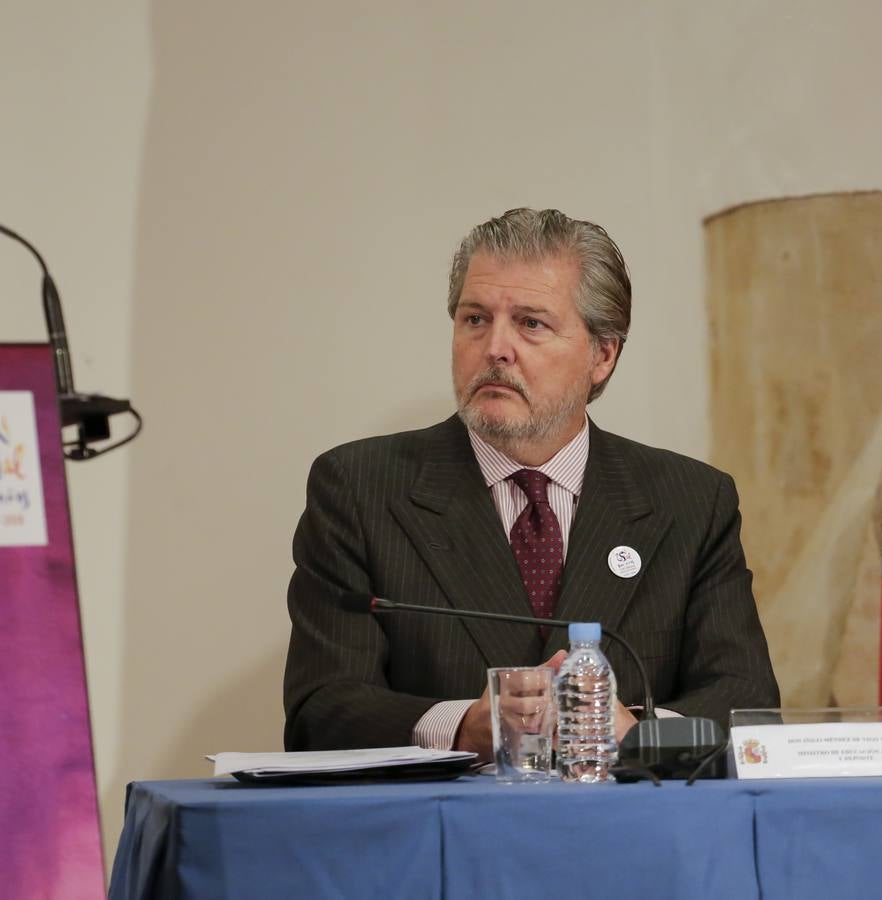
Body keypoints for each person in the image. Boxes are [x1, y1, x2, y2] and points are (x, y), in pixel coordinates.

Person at [283, 208, 780, 757]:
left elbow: (747, 704)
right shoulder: (360, 488)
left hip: (631, 833)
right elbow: (321, 708)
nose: (496, 348)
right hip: (441, 832)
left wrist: (632, 735)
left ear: (603, 355)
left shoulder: (689, 501)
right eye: (475, 319)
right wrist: (464, 725)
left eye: (531, 323)